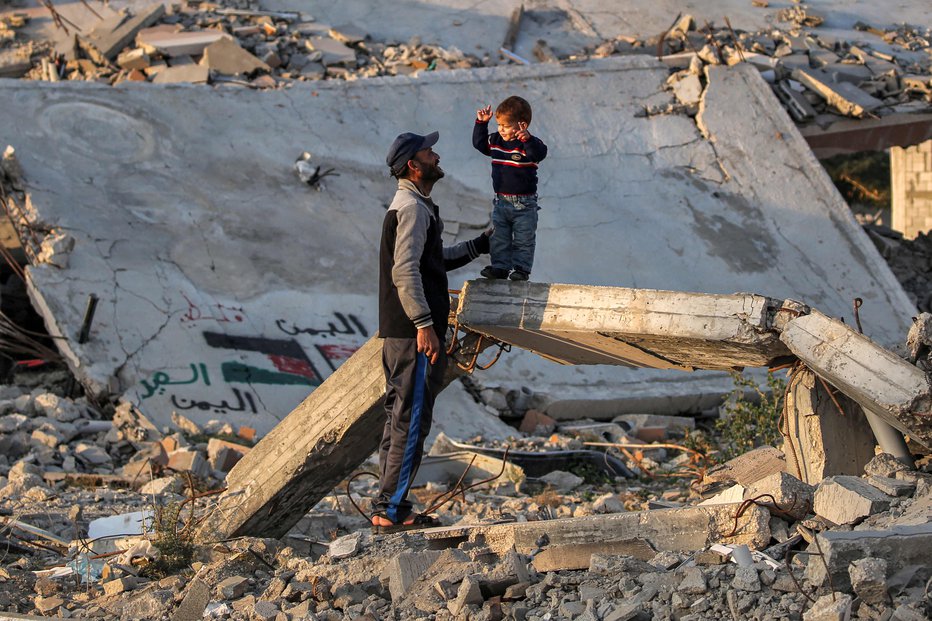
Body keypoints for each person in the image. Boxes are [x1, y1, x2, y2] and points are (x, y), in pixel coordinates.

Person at [373, 130, 490, 533]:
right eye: (429, 151)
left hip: (398, 334)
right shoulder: (413, 209)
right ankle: (390, 511)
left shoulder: (414, 206)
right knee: (411, 420)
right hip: (412, 335)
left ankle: (389, 505)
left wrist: (479, 245)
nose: (436, 154)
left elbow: (433, 261)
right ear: (413, 164)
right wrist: (425, 325)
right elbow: (404, 271)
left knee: (399, 418)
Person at [472, 95, 548, 281]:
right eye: (499, 124)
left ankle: (521, 269)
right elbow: (478, 144)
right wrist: (481, 124)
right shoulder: (496, 140)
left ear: (521, 125)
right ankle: (500, 267)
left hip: (525, 205)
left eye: (505, 126)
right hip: (501, 202)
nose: (501, 129)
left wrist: (527, 140)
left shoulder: (531, 144)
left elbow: (538, 154)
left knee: (523, 239)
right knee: (499, 237)